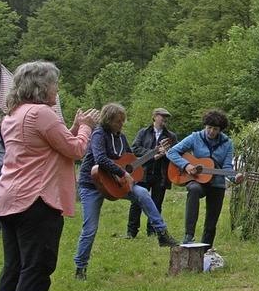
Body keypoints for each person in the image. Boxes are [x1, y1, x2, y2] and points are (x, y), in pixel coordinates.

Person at [0, 61, 99, 291]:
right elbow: (76, 149)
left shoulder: (14, 114)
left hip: (9, 198)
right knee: (37, 268)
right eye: (54, 84)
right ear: (41, 86)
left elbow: (52, 145)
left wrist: (74, 126)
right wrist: (87, 127)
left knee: (14, 267)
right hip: (35, 202)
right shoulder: (41, 113)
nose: (57, 90)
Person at [73, 103, 179, 281]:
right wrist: (122, 172)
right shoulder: (99, 134)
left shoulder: (121, 138)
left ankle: (162, 234)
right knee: (90, 228)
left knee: (143, 193)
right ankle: (80, 268)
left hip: (116, 184)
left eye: (123, 121)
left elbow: (131, 160)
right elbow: (100, 159)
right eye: (118, 121)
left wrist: (154, 155)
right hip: (93, 184)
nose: (121, 124)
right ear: (108, 120)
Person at [166, 109, 243, 247]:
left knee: (211, 221)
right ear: (205, 126)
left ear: (220, 130)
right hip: (198, 180)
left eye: (215, 129)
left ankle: (206, 248)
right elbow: (172, 152)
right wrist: (187, 165)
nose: (211, 131)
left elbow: (226, 167)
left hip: (217, 183)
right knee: (193, 189)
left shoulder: (227, 143)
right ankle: (189, 235)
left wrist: (234, 178)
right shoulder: (195, 137)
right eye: (209, 128)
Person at [126, 108, 178, 238]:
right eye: (162, 116)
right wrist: (153, 152)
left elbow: (176, 154)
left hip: (161, 174)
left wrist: (166, 152)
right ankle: (131, 232)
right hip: (143, 172)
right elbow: (135, 149)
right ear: (154, 117)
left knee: (156, 203)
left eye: (166, 117)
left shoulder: (171, 136)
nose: (164, 119)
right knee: (137, 202)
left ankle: (152, 232)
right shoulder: (143, 132)